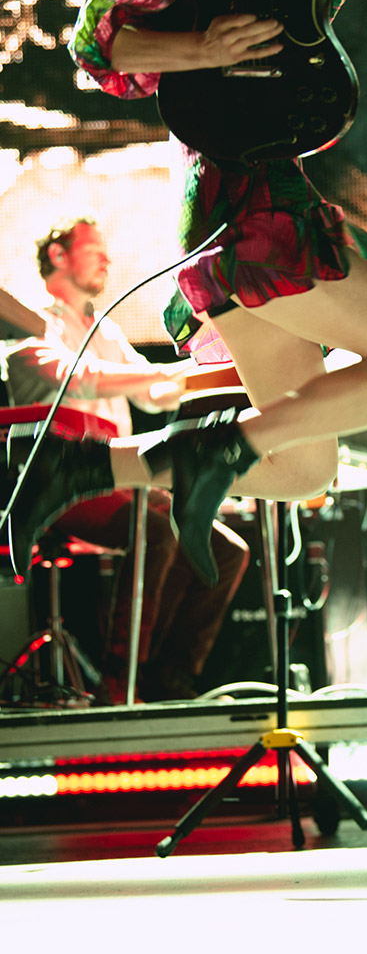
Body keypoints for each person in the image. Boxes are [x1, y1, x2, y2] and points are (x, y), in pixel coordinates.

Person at [6, 0, 367, 599]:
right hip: (247, 198)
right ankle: (219, 450)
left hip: (244, 196)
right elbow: (94, 45)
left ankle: (75, 465)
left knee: (302, 469)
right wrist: (202, 46)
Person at [6, 218, 250, 702]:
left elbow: (156, 392)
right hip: (55, 482)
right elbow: (75, 377)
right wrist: (160, 378)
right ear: (58, 255)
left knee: (227, 550)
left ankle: (168, 675)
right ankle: (121, 680)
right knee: (155, 533)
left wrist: (229, 367)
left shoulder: (105, 330)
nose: (108, 259)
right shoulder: (31, 322)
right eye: (94, 247)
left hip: (119, 480)